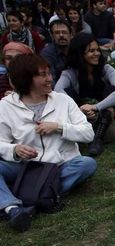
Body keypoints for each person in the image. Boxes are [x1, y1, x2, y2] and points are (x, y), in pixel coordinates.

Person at [0, 54, 96, 232]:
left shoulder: (63, 100)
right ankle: (12, 208)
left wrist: (59, 127)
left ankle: (28, 195)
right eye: (42, 75)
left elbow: (88, 133)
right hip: (25, 168)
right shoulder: (5, 106)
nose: (49, 78)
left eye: (48, 73)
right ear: (26, 80)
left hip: (58, 166)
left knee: (87, 164)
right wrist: (15, 149)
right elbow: (0, 142)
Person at [56, 33, 115, 157]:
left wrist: (95, 107)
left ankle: (97, 139)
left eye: (97, 50)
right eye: (91, 51)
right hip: (85, 116)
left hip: (111, 117)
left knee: (111, 90)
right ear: (80, 54)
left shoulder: (106, 69)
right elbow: (57, 92)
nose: (97, 54)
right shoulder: (70, 73)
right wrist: (79, 109)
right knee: (68, 93)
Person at [40, 19, 72, 85]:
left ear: (70, 34)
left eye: (64, 32)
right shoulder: (47, 53)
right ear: (52, 36)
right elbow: (50, 79)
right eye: (57, 33)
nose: (61, 35)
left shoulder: (77, 48)